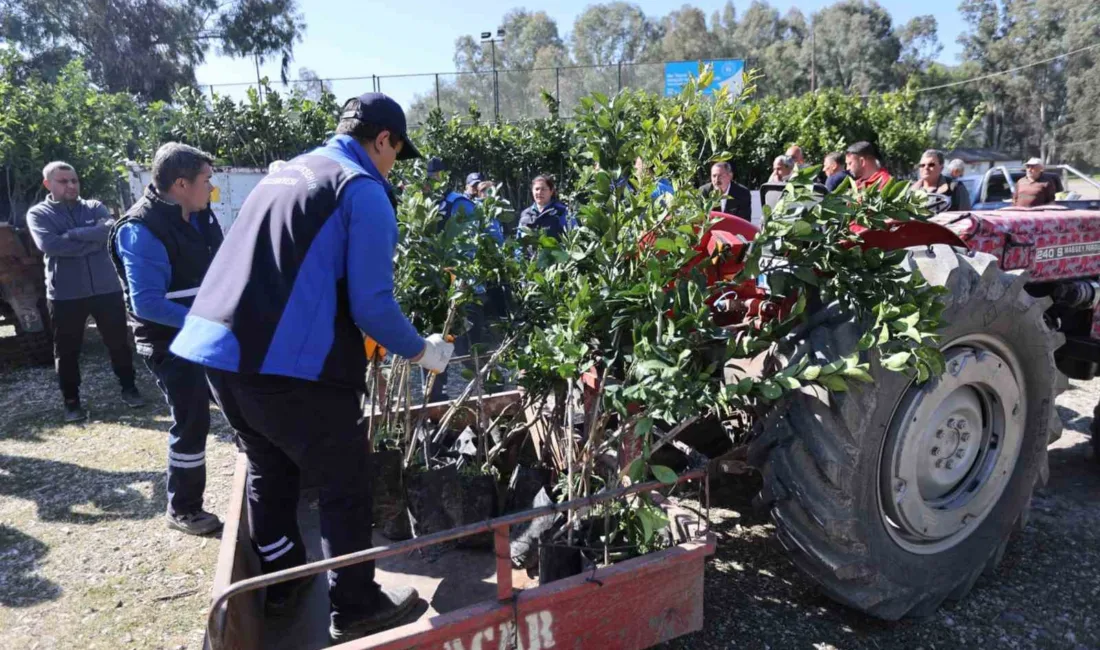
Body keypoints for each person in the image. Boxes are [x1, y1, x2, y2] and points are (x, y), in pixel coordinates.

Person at [169, 92, 454, 642]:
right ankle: (356, 605)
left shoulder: (287, 172)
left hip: (219, 354)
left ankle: (282, 581)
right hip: (286, 367)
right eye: (397, 152)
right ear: (383, 140)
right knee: (346, 481)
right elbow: (372, 305)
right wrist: (422, 350)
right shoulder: (360, 188)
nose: (394, 165)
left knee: (269, 467)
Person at [108, 143, 223, 536]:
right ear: (180, 184)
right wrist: (208, 322)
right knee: (191, 420)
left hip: (209, 333)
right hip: (170, 343)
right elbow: (147, 303)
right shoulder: (140, 230)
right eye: (206, 180)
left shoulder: (200, 214)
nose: (212, 187)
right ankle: (183, 508)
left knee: (241, 400)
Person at [26, 161, 144, 422]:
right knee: (67, 351)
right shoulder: (39, 214)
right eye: (63, 181)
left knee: (119, 343)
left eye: (74, 180)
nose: (71, 185)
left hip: (106, 288)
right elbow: (50, 245)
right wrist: (92, 241)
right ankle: (71, 402)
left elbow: (110, 231)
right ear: (48, 184)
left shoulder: (93, 206)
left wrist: (73, 234)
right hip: (66, 294)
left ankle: (129, 388)